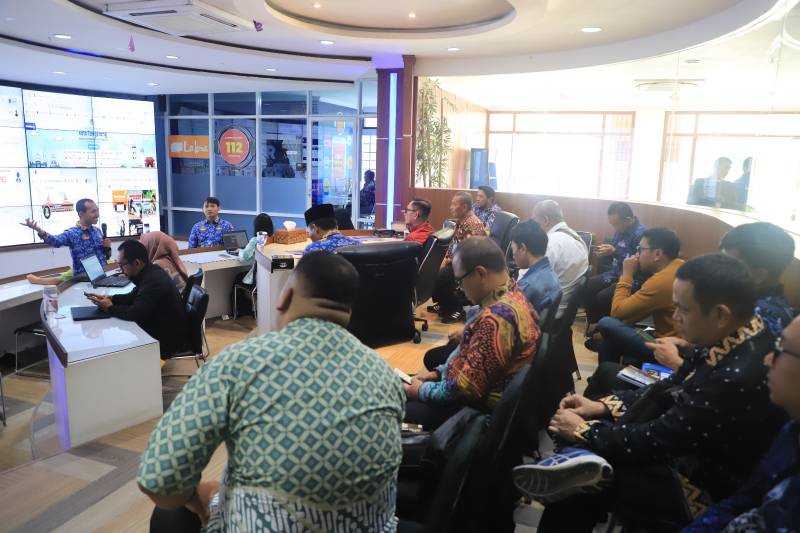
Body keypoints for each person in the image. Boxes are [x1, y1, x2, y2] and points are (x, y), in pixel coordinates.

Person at [511, 254, 787, 532]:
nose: (676, 318)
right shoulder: (735, 335)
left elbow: (663, 436)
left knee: (577, 481)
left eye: (683, 310)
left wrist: (585, 431)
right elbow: (666, 388)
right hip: (684, 451)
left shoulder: (735, 377)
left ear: (720, 314)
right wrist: (601, 407)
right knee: (585, 453)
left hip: (699, 488)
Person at [137, 252, 405, 532]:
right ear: (349, 310)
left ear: (285, 297)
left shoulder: (238, 363)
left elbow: (159, 479)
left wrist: (199, 499)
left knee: (168, 516)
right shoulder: (384, 374)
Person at [405, 237, 539, 430]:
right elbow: (468, 357)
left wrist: (422, 391)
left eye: (460, 280)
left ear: (480, 273)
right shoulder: (514, 294)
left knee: (400, 406)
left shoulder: (497, 319)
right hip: (484, 398)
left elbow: (463, 390)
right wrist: (437, 374)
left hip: (477, 413)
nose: (459, 288)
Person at [684, 316, 800, 532]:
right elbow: (741, 502)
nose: (767, 360)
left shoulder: (736, 377)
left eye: (781, 349)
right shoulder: (792, 429)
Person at [642, 222, 797, 377]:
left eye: (730, 264)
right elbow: (720, 350)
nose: (720, 269)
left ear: (759, 276)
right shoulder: (741, 300)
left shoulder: (759, 319)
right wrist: (689, 347)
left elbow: (724, 380)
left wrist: (675, 362)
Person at [591, 228, 684, 366]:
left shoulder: (662, 281)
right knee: (610, 335)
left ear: (657, 254)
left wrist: (627, 275)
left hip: (671, 349)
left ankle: (606, 374)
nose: (636, 254)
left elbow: (617, 312)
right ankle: (607, 374)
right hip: (665, 339)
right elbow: (633, 313)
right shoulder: (678, 267)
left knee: (606, 323)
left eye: (640, 249)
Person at [86, 240, 188, 358]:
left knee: (116, 343)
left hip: (165, 341)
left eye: (122, 265)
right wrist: (111, 298)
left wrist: (110, 308)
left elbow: (135, 313)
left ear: (137, 263)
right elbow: (133, 296)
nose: (120, 269)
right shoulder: (150, 272)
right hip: (162, 328)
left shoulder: (153, 280)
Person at [584, 201, 646, 326]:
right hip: (616, 272)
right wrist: (608, 250)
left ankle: (609, 327)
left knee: (604, 297)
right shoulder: (621, 229)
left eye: (616, 224)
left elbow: (637, 262)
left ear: (628, 220)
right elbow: (616, 248)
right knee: (589, 284)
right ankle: (595, 323)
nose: (614, 228)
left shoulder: (642, 235)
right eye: (612, 224)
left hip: (633, 277)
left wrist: (615, 251)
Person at [430, 191, 487, 323]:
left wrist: (447, 261)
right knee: (433, 269)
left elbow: (467, 252)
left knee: (441, 277)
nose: (451, 207)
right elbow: (453, 245)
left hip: (470, 264)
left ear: (464, 207)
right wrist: (445, 259)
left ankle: (455, 309)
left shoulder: (472, 224)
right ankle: (444, 303)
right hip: (459, 261)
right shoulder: (461, 222)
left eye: (454, 204)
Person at [20, 198, 110, 277]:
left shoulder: (98, 231)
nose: (97, 214)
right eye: (93, 211)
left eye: (97, 210)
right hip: (84, 280)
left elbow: (106, 257)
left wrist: (108, 248)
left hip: (103, 275)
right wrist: (39, 230)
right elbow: (56, 241)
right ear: (81, 214)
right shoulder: (72, 233)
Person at [531, 200, 589, 317]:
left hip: (546, 313)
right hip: (564, 311)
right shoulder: (578, 239)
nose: (534, 228)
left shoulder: (549, 243)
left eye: (535, 222)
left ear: (545, 220)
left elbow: (531, 284)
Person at [510, 219, 562, 314]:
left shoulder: (526, 287)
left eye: (513, 249)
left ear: (523, 249)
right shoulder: (552, 275)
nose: (513, 256)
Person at [231, 213, 274, 317]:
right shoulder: (273, 239)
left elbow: (244, 258)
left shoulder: (255, 240)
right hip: (269, 277)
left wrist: (240, 251)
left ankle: (248, 309)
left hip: (258, 279)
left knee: (238, 278)